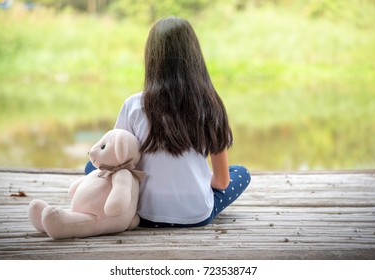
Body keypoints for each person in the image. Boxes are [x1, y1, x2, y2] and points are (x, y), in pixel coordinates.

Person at [85, 16, 251, 227]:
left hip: (143, 214)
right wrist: (196, 179)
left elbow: (116, 160)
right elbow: (221, 181)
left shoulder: (134, 104)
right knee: (241, 173)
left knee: (94, 167)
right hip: (196, 216)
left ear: (152, 58)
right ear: (195, 57)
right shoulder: (210, 105)